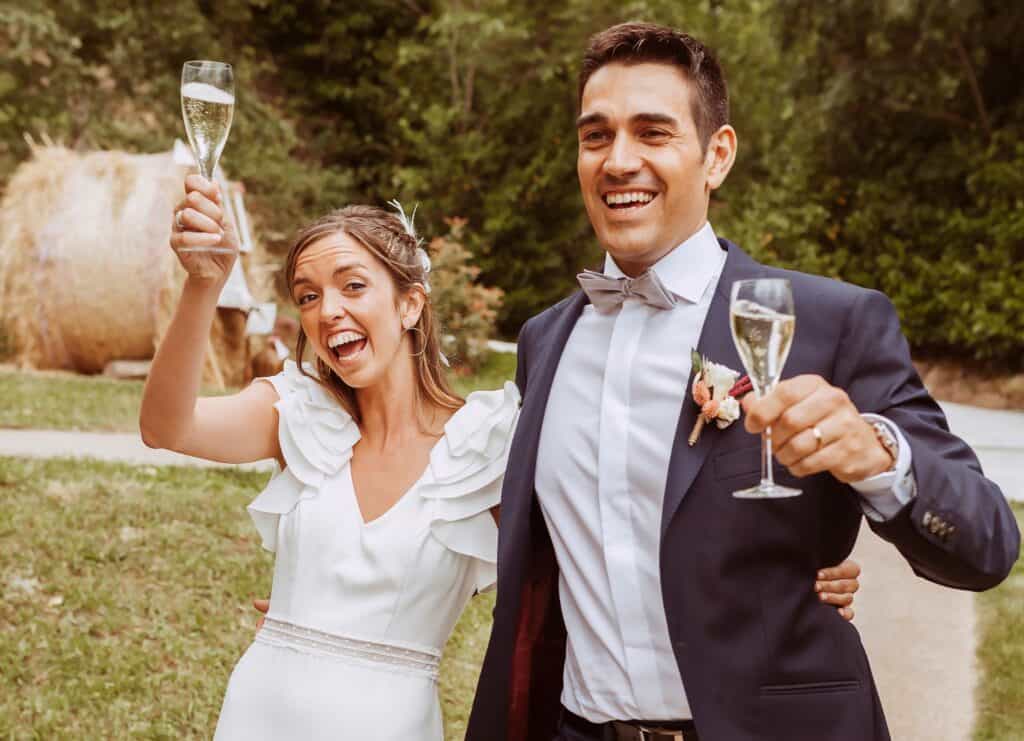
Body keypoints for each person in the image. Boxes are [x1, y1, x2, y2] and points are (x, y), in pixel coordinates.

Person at [141, 175, 861, 739]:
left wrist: (787, 572)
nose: (327, 310)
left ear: (411, 304)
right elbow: (167, 425)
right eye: (308, 296)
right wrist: (203, 284)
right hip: (261, 711)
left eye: (352, 286)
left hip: (387, 724)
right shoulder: (297, 414)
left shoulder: (487, 444)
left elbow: (614, 532)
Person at [464, 22, 1020, 741]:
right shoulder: (544, 341)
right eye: (595, 136)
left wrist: (881, 458)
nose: (618, 160)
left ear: (716, 156)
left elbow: (988, 544)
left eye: (653, 133)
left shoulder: (830, 321)